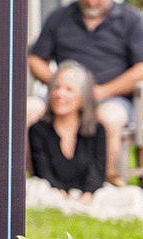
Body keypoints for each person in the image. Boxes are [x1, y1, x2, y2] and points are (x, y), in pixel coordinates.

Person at [27, 0, 143, 185]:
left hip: (110, 97)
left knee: (108, 117)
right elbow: (35, 59)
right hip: (63, 96)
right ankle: (32, 179)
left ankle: (103, 179)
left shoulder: (130, 20)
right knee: (28, 108)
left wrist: (100, 92)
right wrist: (61, 86)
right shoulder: (60, 17)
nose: (91, 1)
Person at [28, 62, 107, 203]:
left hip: (86, 197)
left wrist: (87, 195)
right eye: (56, 87)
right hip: (52, 194)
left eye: (69, 89)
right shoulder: (37, 130)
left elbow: (97, 173)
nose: (59, 94)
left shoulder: (97, 130)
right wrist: (62, 195)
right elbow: (43, 172)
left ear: (83, 98)